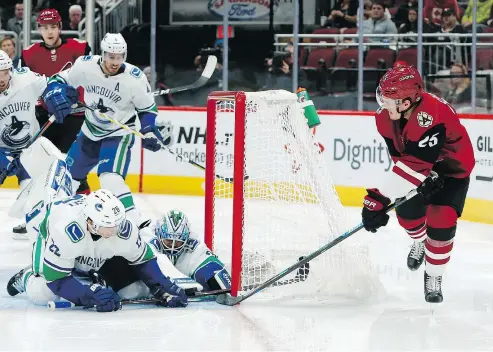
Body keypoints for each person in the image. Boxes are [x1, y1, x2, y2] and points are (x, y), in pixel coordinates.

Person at [361, 63, 474, 303]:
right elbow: (401, 158)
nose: (383, 104)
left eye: (389, 100)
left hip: (452, 171)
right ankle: (419, 241)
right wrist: (395, 192)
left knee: (441, 222)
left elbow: (415, 166)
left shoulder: (431, 115)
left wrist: (378, 200)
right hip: (421, 166)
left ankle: (434, 276)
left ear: (406, 102)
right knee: (407, 216)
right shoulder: (385, 118)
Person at [42, 33, 173, 228]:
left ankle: (135, 224)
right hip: (89, 132)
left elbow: (147, 110)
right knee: (67, 179)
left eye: (120, 56)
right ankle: (53, 219)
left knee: (109, 178)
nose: (115, 61)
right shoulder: (85, 66)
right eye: (111, 56)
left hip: (118, 135)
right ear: (102, 54)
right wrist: (56, 91)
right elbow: (58, 79)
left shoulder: (134, 78)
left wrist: (149, 129)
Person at [6, 188, 188, 311]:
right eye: (108, 226)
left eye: (117, 223)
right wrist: (89, 295)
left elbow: (143, 260)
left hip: (95, 253)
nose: (115, 230)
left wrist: (163, 286)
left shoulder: (120, 227)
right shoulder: (65, 231)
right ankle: (27, 276)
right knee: (43, 294)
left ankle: (96, 278)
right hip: (54, 244)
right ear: (90, 222)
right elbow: (57, 280)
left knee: (132, 291)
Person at [13, 8, 92, 238]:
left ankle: (85, 216)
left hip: (74, 117)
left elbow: (91, 73)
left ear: (60, 27)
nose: (49, 32)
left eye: (53, 27)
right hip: (44, 118)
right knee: (42, 169)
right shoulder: (29, 54)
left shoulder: (78, 47)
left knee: (73, 169)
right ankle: (37, 217)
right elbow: (21, 84)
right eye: (44, 28)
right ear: (39, 30)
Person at [96, 210, 232, 298]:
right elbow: (155, 261)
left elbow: (203, 257)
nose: (172, 247)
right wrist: (181, 287)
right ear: (159, 233)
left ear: (186, 237)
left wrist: (217, 279)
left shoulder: (192, 240)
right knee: (130, 292)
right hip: (138, 273)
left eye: (178, 243)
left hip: (173, 274)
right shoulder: (147, 235)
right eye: (168, 241)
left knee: (211, 277)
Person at [0, 50, 48, 203]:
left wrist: (56, 94)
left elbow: (51, 84)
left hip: (29, 146)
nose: (1, 79)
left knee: (32, 189)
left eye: (4, 73)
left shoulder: (25, 78)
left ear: (11, 71)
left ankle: (33, 221)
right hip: (1, 149)